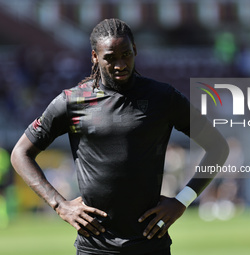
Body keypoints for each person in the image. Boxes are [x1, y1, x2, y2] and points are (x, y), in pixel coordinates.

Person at [11, 18, 229, 255]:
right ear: (95, 57)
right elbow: (20, 153)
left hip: (151, 244)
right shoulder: (72, 102)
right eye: (110, 58)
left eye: (126, 54)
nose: (120, 64)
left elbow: (218, 146)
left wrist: (182, 200)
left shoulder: (162, 97)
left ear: (135, 50)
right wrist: (60, 205)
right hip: (94, 247)